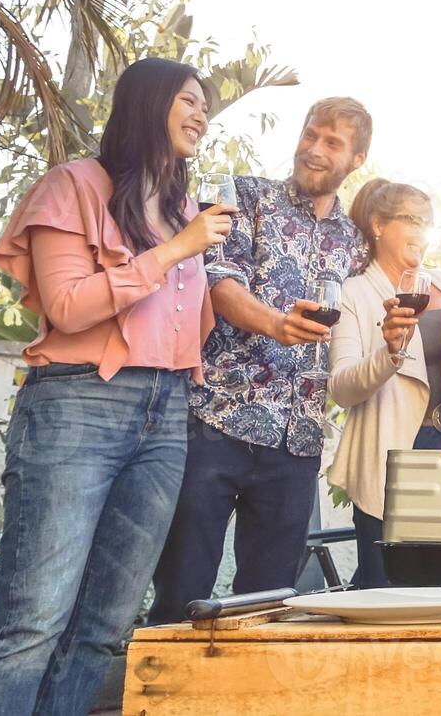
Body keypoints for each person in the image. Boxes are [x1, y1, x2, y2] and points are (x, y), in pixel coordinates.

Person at [0, 58, 232, 716]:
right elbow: (68, 306)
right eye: (188, 101)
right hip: (78, 404)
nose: (201, 115)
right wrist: (175, 250)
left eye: (206, 106)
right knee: (31, 623)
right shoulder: (74, 185)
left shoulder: (182, 210)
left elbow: (189, 326)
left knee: (104, 627)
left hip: (165, 413)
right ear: (147, 102)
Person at [149, 98, 371, 624]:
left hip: (297, 442)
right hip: (216, 423)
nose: (313, 149)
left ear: (357, 158)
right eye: (309, 135)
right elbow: (218, 282)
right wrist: (277, 323)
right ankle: (164, 703)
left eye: (332, 142)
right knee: (182, 586)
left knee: (268, 601)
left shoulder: (356, 241)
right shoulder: (246, 197)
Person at [327, 179, 441, 588]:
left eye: (428, 221)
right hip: (392, 452)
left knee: (439, 591)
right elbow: (341, 387)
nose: (422, 230)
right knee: (385, 594)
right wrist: (389, 352)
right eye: (410, 219)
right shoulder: (354, 292)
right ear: (378, 225)